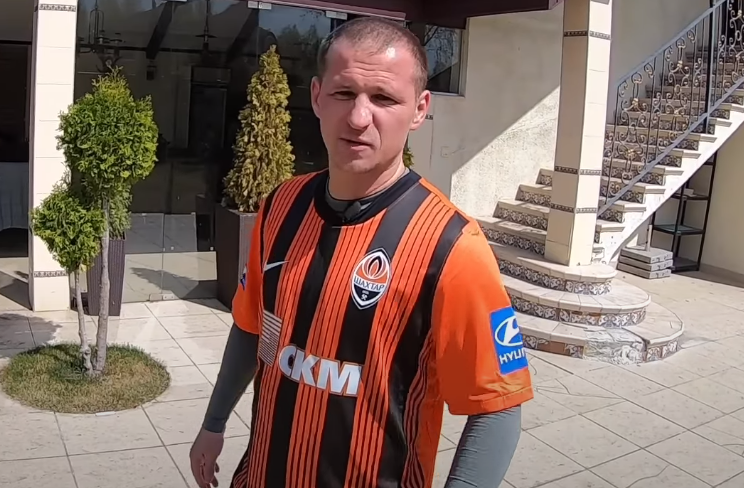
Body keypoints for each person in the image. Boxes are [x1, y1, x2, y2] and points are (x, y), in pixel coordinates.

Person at [190, 16, 533, 488]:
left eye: (384, 98)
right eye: (344, 93)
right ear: (317, 97)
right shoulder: (280, 207)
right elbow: (252, 327)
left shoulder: (453, 246)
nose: (358, 117)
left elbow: (497, 407)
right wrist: (213, 422)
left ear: (419, 109)